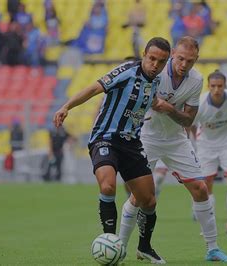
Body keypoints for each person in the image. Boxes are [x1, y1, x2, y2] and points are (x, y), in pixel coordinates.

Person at [53, 37, 171, 264]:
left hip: (132, 144)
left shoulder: (156, 83)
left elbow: (153, 103)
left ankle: (144, 248)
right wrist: (66, 106)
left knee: (149, 201)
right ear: (144, 56)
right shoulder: (127, 71)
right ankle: (110, 240)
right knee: (107, 185)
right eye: (152, 58)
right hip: (105, 138)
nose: (155, 64)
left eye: (161, 61)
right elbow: (94, 88)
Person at [118, 36, 227, 263]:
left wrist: (167, 108)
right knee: (138, 197)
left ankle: (212, 249)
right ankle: (120, 246)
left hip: (175, 140)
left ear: (196, 59)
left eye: (190, 61)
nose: (184, 64)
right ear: (172, 54)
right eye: (180, 58)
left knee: (200, 189)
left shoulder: (196, 80)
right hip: (145, 138)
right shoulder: (155, 71)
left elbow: (188, 120)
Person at [191, 70, 227, 237]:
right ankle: (209, 223)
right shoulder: (200, 103)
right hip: (206, 145)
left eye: (220, 86)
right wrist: (196, 142)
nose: (216, 89)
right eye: (213, 86)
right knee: (206, 185)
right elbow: (190, 124)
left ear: (225, 86)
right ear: (208, 86)